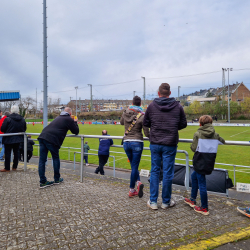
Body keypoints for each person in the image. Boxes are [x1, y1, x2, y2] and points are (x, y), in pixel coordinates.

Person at [143, 83, 187, 210]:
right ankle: (166, 202)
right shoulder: (178, 106)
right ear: (170, 93)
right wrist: (172, 127)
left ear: (158, 93)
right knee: (168, 173)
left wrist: (154, 131)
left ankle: (153, 201)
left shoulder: (151, 106)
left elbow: (145, 123)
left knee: (155, 171)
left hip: (156, 142)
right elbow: (183, 124)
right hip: (170, 143)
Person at [184, 115, 225, 215]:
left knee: (202, 184)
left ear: (200, 123)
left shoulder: (198, 133)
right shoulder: (215, 134)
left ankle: (204, 207)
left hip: (199, 161)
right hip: (209, 161)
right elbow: (223, 141)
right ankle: (193, 199)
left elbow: (193, 148)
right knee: (194, 176)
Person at [38, 107, 79, 188]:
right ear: (70, 114)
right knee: (55, 158)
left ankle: (42, 181)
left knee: (42, 160)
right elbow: (76, 131)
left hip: (42, 136)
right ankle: (57, 179)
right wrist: (75, 122)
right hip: (52, 139)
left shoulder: (58, 117)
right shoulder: (69, 119)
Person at [120, 96, 149, 198]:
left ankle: (138, 182)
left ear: (132, 103)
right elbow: (146, 132)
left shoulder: (125, 112)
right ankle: (132, 189)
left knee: (133, 165)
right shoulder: (142, 115)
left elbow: (121, 122)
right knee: (135, 167)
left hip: (126, 142)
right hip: (137, 142)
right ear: (140, 104)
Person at [0, 106, 26, 172]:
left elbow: (2, 129)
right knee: (16, 153)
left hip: (8, 138)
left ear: (11, 111)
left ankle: (7, 168)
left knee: (8, 153)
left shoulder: (8, 119)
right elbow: (24, 128)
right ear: (18, 111)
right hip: (18, 138)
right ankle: (14, 167)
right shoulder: (22, 119)